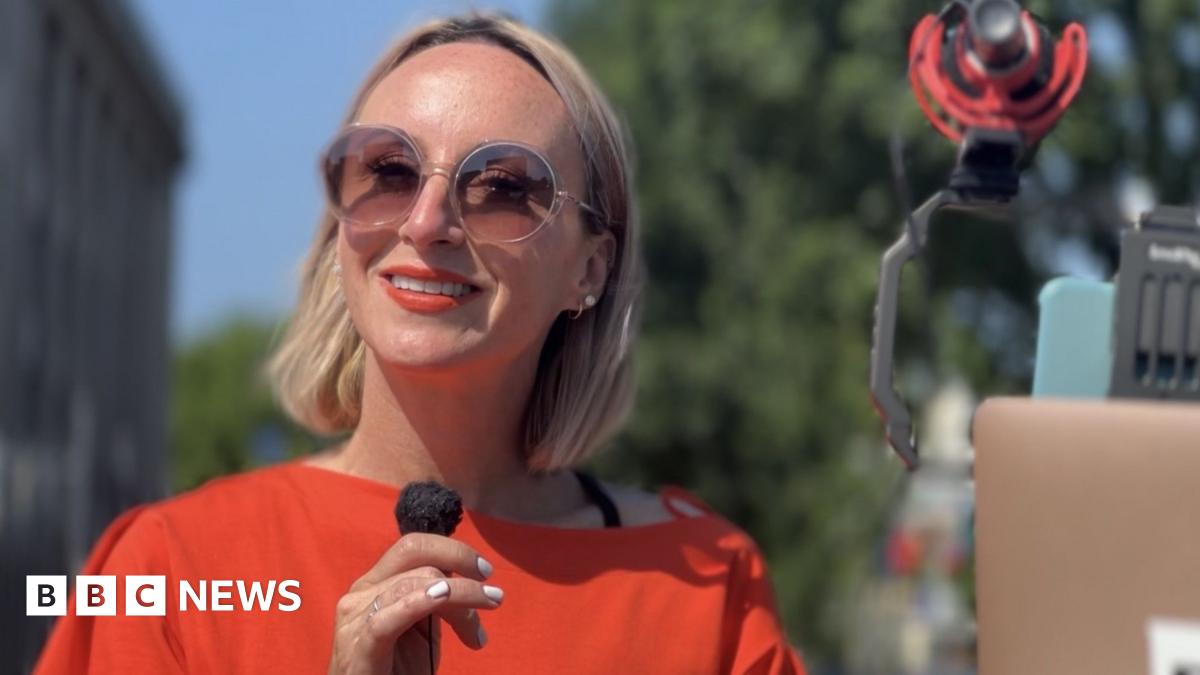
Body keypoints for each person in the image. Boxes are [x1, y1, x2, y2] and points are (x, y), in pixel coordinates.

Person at [34, 13, 806, 674]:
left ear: (590, 268)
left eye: (503, 187)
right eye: (390, 171)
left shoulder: (706, 587)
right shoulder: (164, 566)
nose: (426, 221)